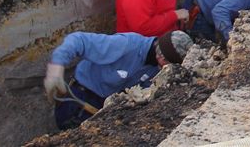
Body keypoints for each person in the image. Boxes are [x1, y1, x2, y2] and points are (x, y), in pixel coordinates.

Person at [43, 30, 193, 130]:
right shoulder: (126, 45)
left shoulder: (155, 69)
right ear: (162, 57)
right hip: (79, 99)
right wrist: (56, 67)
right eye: (169, 65)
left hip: (104, 106)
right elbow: (79, 40)